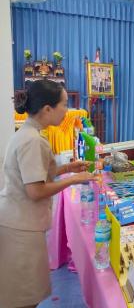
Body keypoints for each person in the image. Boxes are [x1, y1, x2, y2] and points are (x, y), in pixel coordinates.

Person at [0, 80, 95, 308]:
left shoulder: (29, 133)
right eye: (64, 104)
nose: (68, 111)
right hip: (21, 228)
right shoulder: (33, 140)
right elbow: (35, 190)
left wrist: (67, 168)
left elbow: (37, 175)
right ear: (47, 109)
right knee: (23, 298)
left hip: (19, 221)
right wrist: (74, 179)